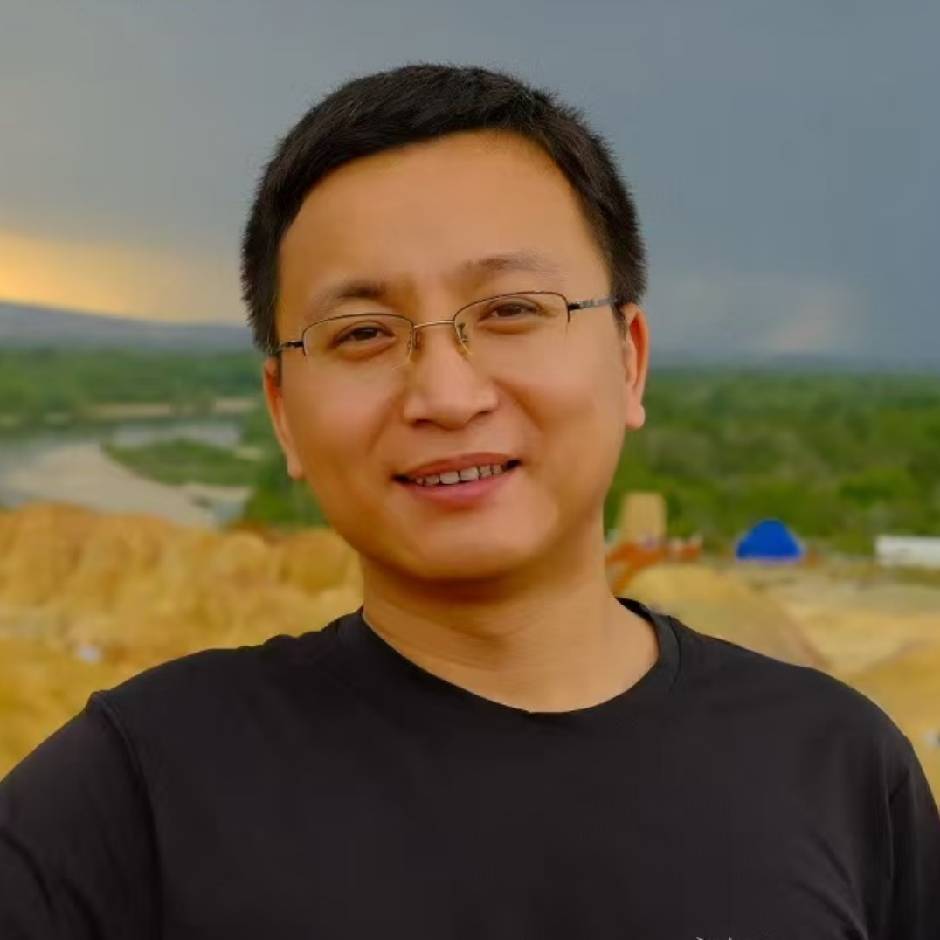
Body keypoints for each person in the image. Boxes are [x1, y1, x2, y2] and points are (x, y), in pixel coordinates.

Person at [1, 62, 938, 939]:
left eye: (511, 311)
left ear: (629, 359)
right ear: (283, 412)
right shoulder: (137, 794)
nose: (447, 396)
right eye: (362, 333)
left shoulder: (840, 768)